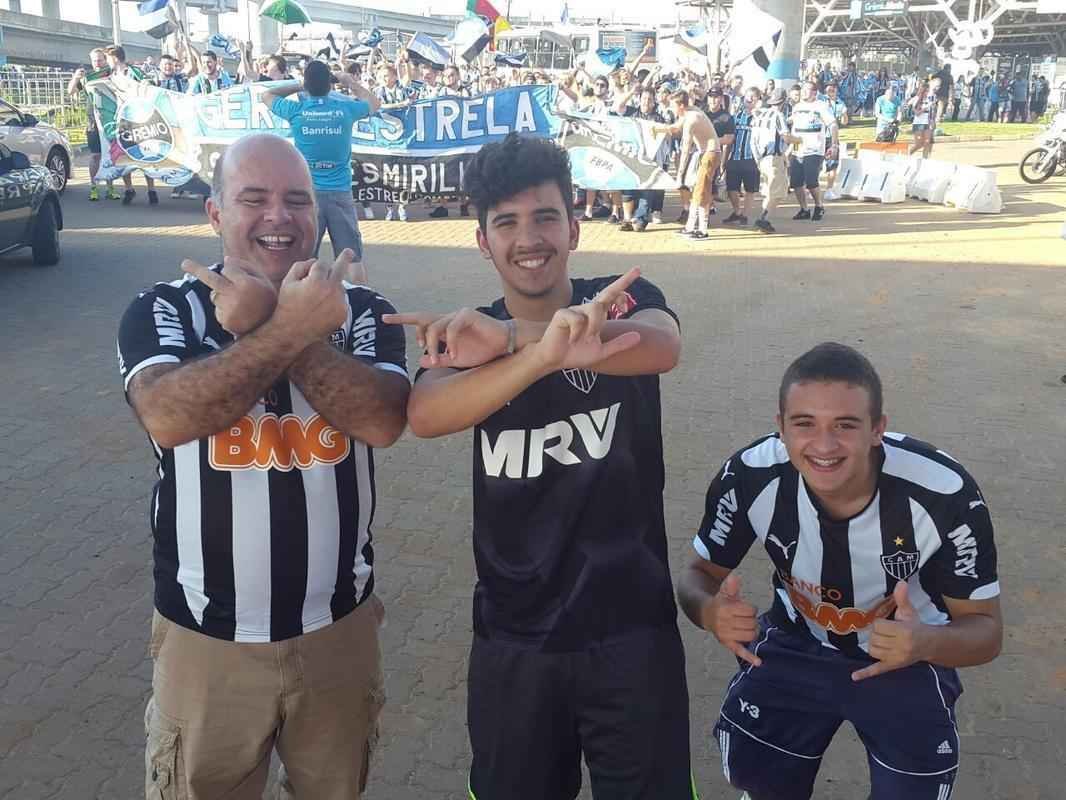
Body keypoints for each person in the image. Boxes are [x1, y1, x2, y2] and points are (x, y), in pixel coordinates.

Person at [385, 131, 691, 800]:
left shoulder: (617, 300)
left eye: (546, 217)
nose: (530, 238)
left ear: (575, 227)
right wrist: (536, 354)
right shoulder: (469, 334)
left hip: (632, 630)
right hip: (514, 639)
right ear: (483, 241)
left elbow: (660, 346)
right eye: (508, 222)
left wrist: (524, 339)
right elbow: (427, 414)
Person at [118, 133, 410, 800]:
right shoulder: (165, 308)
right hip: (206, 640)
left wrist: (285, 328)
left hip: (339, 633)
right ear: (216, 214)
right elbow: (167, 414)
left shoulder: (361, 309)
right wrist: (279, 330)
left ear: (318, 215)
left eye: (297, 201)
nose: (279, 217)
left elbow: (382, 419)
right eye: (254, 199)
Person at [678, 341, 1002, 800]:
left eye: (845, 426)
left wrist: (927, 641)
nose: (824, 445)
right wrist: (709, 612)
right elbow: (697, 575)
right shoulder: (749, 476)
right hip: (796, 644)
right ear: (781, 428)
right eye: (804, 424)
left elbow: (986, 631)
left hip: (906, 656)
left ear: (878, 430)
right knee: (757, 778)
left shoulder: (944, 495)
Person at [264, 60, 381, 264]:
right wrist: (349, 81)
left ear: (308, 85)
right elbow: (374, 103)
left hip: (307, 196)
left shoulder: (296, 110)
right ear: (330, 85)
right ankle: (356, 295)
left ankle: (302, 295)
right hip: (340, 193)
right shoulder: (345, 109)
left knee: (304, 259)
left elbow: (267, 95)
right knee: (350, 259)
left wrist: (301, 84)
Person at [654, 91, 720, 240]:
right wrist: (659, 129)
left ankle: (701, 230)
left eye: (673, 105)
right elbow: (676, 127)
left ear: (681, 106)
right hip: (705, 153)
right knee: (700, 191)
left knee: (700, 191)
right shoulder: (690, 111)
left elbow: (685, 149)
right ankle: (692, 227)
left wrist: (680, 174)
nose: (671, 108)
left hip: (710, 154)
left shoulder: (692, 118)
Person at [105, 45, 160, 206]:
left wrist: (141, 86)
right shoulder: (111, 75)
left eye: (108, 58)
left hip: (139, 118)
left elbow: (149, 83)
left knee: (145, 152)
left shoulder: (133, 71)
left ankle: (151, 189)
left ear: (115, 58)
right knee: (123, 153)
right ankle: (129, 188)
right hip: (121, 120)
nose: (108, 62)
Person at [68, 48, 119, 202]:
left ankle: (111, 188)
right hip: (93, 121)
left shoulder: (112, 73)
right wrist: (76, 78)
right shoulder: (87, 77)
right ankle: (94, 187)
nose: (97, 63)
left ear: (105, 60)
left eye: (100, 60)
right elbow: (71, 91)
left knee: (111, 155)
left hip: (111, 120)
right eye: (94, 60)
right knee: (95, 155)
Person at [749, 88, 799, 234]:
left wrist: (757, 158)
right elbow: (786, 138)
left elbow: (753, 140)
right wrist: (800, 140)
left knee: (770, 190)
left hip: (762, 157)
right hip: (773, 157)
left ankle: (764, 217)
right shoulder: (778, 115)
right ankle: (764, 219)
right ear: (783, 102)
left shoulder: (760, 115)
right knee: (777, 192)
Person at [788, 80, 838, 222]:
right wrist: (790, 148)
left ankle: (819, 205)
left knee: (811, 181)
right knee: (796, 182)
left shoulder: (821, 106)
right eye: (803, 89)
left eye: (807, 90)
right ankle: (804, 209)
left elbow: (833, 125)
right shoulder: (796, 107)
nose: (803, 92)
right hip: (798, 150)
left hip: (814, 149)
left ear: (815, 93)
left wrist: (834, 145)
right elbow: (794, 129)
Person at [723, 87, 760, 227]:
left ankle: (745, 215)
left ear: (758, 100)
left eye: (753, 97)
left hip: (751, 158)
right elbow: (729, 138)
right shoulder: (736, 116)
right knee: (731, 188)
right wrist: (724, 161)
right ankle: (737, 211)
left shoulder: (760, 118)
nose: (749, 99)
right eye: (747, 96)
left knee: (750, 189)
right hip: (735, 157)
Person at [909, 77, 940, 158]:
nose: (926, 93)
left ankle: (925, 160)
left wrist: (933, 120)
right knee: (919, 144)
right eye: (925, 91)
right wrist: (925, 108)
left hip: (927, 123)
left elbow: (933, 111)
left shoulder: (931, 99)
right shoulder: (916, 99)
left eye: (927, 90)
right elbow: (917, 113)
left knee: (927, 142)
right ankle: (908, 153)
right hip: (919, 123)